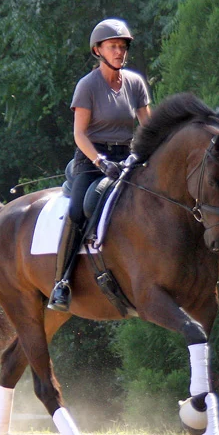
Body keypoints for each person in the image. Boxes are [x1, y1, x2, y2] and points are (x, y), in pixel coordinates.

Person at [48, 18, 151, 312]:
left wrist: (142, 153)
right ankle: (62, 282)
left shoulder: (136, 83)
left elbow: (148, 127)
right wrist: (100, 161)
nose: (120, 52)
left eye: (122, 47)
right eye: (113, 47)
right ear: (98, 51)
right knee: (79, 209)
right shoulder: (87, 86)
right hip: (93, 160)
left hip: (128, 158)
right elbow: (79, 134)